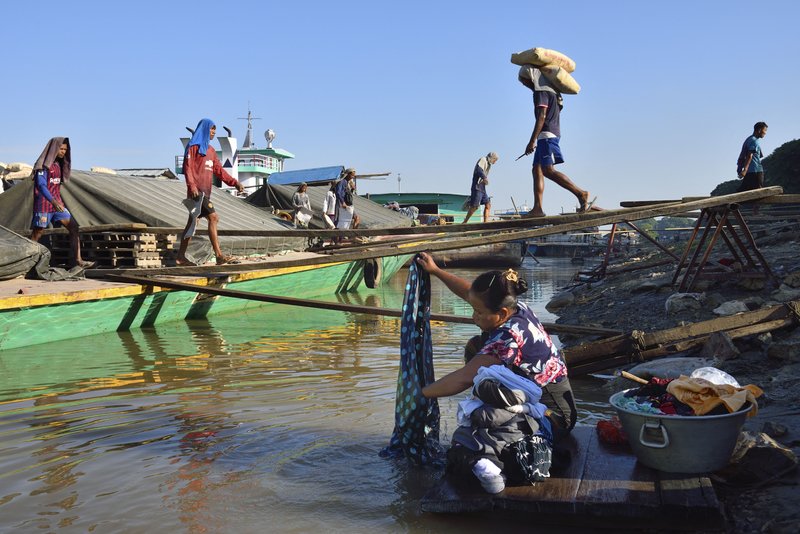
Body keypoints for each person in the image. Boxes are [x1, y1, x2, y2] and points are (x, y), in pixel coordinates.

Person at [416, 252, 576, 492]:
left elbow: (462, 378)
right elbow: (469, 291)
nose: (474, 316)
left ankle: (492, 464)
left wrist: (418, 395)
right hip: (539, 395)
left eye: (479, 312)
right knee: (476, 347)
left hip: (553, 416)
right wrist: (436, 270)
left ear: (500, 315)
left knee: (484, 426)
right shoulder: (515, 306)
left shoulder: (506, 339)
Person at [518, 66, 592, 217]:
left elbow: (542, 117)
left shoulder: (541, 92)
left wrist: (531, 141)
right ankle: (537, 208)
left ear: (531, 78)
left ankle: (581, 193)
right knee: (536, 169)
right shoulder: (552, 92)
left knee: (548, 170)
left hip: (547, 135)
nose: (523, 84)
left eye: (524, 81)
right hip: (546, 135)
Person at [176, 118, 244, 266]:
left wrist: (235, 182)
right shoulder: (192, 147)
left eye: (215, 130)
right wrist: (192, 186)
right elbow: (188, 168)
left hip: (206, 193)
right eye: (212, 129)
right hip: (196, 193)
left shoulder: (211, 151)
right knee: (214, 218)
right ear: (205, 129)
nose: (213, 132)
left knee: (192, 224)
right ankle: (219, 255)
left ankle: (180, 256)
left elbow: (219, 171)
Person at [29, 137, 92, 268]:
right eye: (61, 149)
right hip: (44, 205)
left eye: (65, 149)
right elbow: (41, 186)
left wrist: (57, 202)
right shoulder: (43, 166)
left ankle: (78, 260)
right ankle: (27, 261)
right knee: (38, 232)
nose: (63, 152)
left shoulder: (58, 165)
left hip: (57, 205)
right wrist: (52, 201)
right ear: (54, 149)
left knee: (74, 227)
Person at [463, 152, 498, 223]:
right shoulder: (483, 160)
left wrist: (485, 180)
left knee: (488, 205)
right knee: (475, 206)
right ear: (492, 158)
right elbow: (479, 170)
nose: (495, 162)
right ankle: (465, 221)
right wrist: (484, 177)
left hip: (482, 187)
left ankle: (485, 223)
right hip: (477, 186)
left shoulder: (489, 165)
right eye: (495, 160)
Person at [737, 121, 768, 191]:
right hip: (756, 172)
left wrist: (739, 168)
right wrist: (744, 170)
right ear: (759, 130)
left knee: (742, 192)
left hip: (750, 172)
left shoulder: (749, 139)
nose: (765, 133)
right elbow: (749, 156)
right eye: (765, 130)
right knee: (757, 194)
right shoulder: (754, 141)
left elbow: (742, 155)